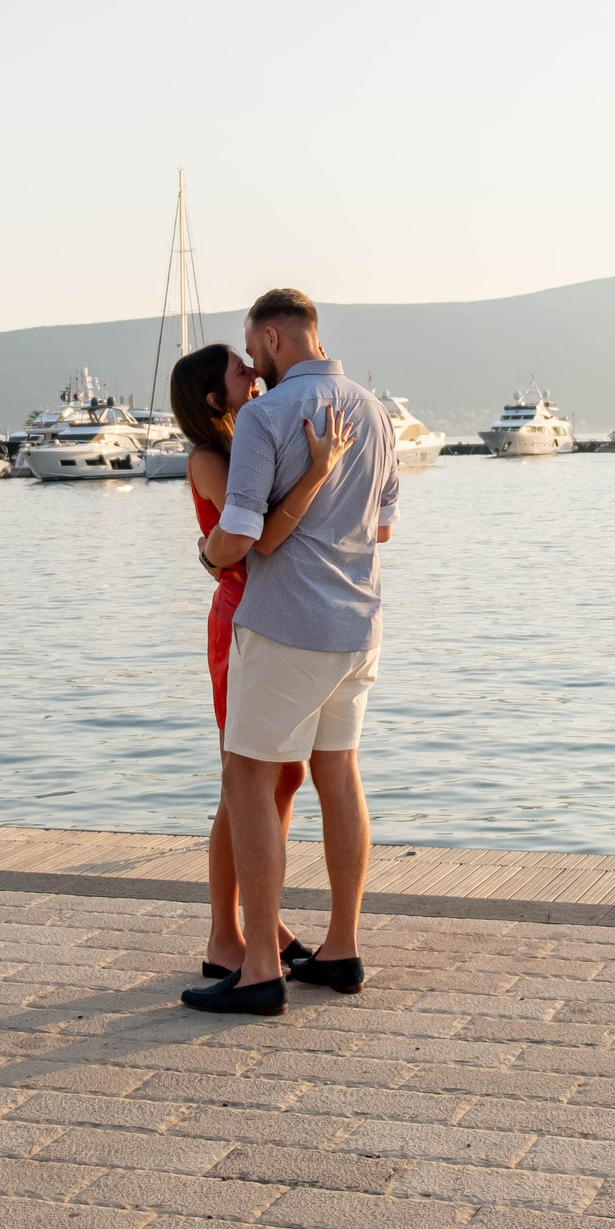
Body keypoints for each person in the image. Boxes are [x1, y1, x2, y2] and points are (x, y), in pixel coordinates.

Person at [182, 287, 397, 1015]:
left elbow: (240, 535)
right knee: (338, 774)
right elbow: (385, 528)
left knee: (246, 781)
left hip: (284, 627)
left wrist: (210, 557)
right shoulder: (373, 410)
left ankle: (260, 967)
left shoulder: (269, 416)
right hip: (358, 625)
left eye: (253, 347)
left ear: (273, 337)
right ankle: (341, 947)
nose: (255, 364)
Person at [168, 340, 353, 979]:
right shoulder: (210, 459)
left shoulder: (250, 439)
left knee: (284, 777)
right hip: (242, 622)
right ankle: (226, 935)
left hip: (276, 624)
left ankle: (262, 919)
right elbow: (257, 539)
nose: (256, 375)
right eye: (240, 371)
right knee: (240, 781)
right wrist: (319, 471)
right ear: (215, 398)